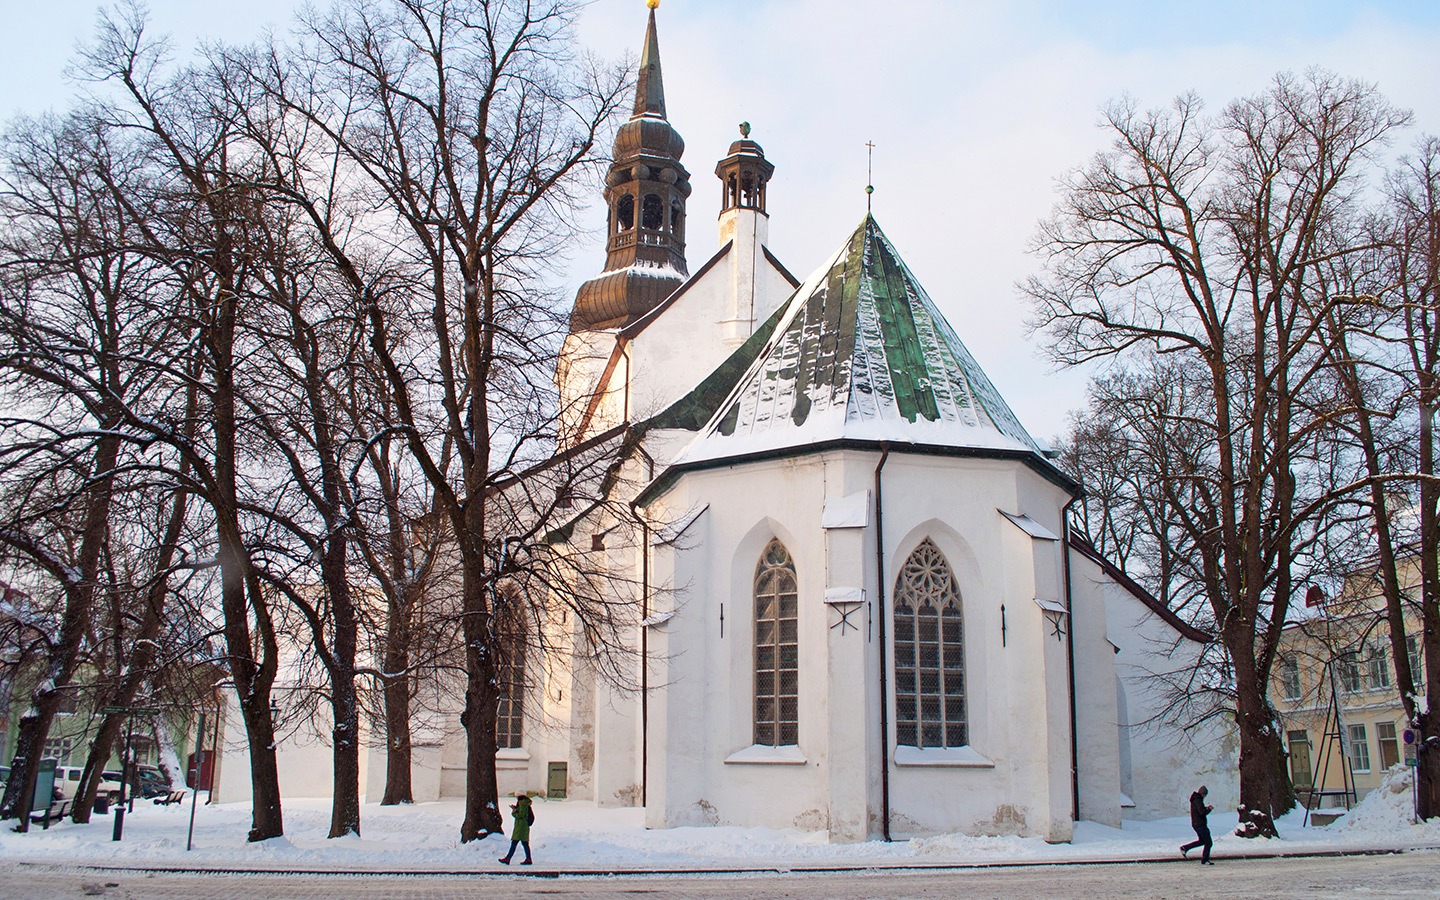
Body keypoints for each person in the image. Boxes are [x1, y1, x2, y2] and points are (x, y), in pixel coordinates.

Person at [1180, 784, 1214, 864]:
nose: (1205, 796)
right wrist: (1208, 809)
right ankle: (1205, 860)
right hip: (1200, 824)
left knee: (1202, 841)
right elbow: (1201, 812)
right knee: (1208, 842)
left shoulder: (1196, 799)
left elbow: (1199, 810)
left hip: (1196, 824)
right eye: (1205, 795)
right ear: (1203, 794)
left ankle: (1185, 848)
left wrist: (1205, 808)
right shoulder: (1198, 800)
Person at [498, 793, 534, 865]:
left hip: (520, 826)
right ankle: (528, 858)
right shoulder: (525, 803)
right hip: (523, 826)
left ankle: (508, 858)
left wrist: (514, 812)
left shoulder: (522, 803)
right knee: (524, 843)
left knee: (515, 843)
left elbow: (521, 815)